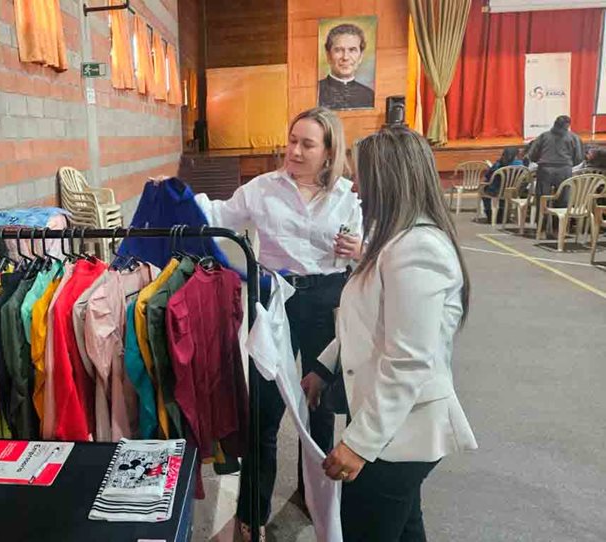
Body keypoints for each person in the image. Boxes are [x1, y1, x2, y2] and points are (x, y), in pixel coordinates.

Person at [192, 106, 363, 540]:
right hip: (274, 303)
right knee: (264, 412)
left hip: (328, 303)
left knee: (320, 410)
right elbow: (216, 215)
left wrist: (359, 248)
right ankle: (252, 513)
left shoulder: (348, 196)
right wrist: (175, 195)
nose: (295, 150)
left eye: (307, 144)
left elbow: (374, 252)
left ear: (329, 152)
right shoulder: (262, 188)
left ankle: (315, 497)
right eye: (292, 140)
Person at [301, 126, 477, 541]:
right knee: (405, 529)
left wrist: (359, 443)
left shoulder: (417, 248)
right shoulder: (393, 240)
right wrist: (324, 369)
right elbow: (365, 323)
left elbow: (409, 359)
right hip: (392, 426)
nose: (355, 186)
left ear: (388, 178)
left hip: (401, 432)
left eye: (360, 175)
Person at [528, 115, 584, 208]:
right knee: (563, 200)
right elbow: (578, 158)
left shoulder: (543, 136)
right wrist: (568, 164)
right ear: (568, 126)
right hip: (564, 170)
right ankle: (559, 220)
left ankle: (542, 221)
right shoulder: (574, 138)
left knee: (542, 199)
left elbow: (532, 155)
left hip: (545, 170)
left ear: (554, 123)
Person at [318, 24, 375, 110]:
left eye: (352, 50)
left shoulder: (370, 95)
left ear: (361, 56)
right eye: (338, 50)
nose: (345, 57)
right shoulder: (316, 91)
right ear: (328, 55)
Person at [482, 146, 523, 221]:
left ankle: (489, 214)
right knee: (503, 192)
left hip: (496, 191)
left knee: (484, 191)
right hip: (513, 192)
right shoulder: (521, 165)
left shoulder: (498, 164)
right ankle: (503, 213)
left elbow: (488, 176)